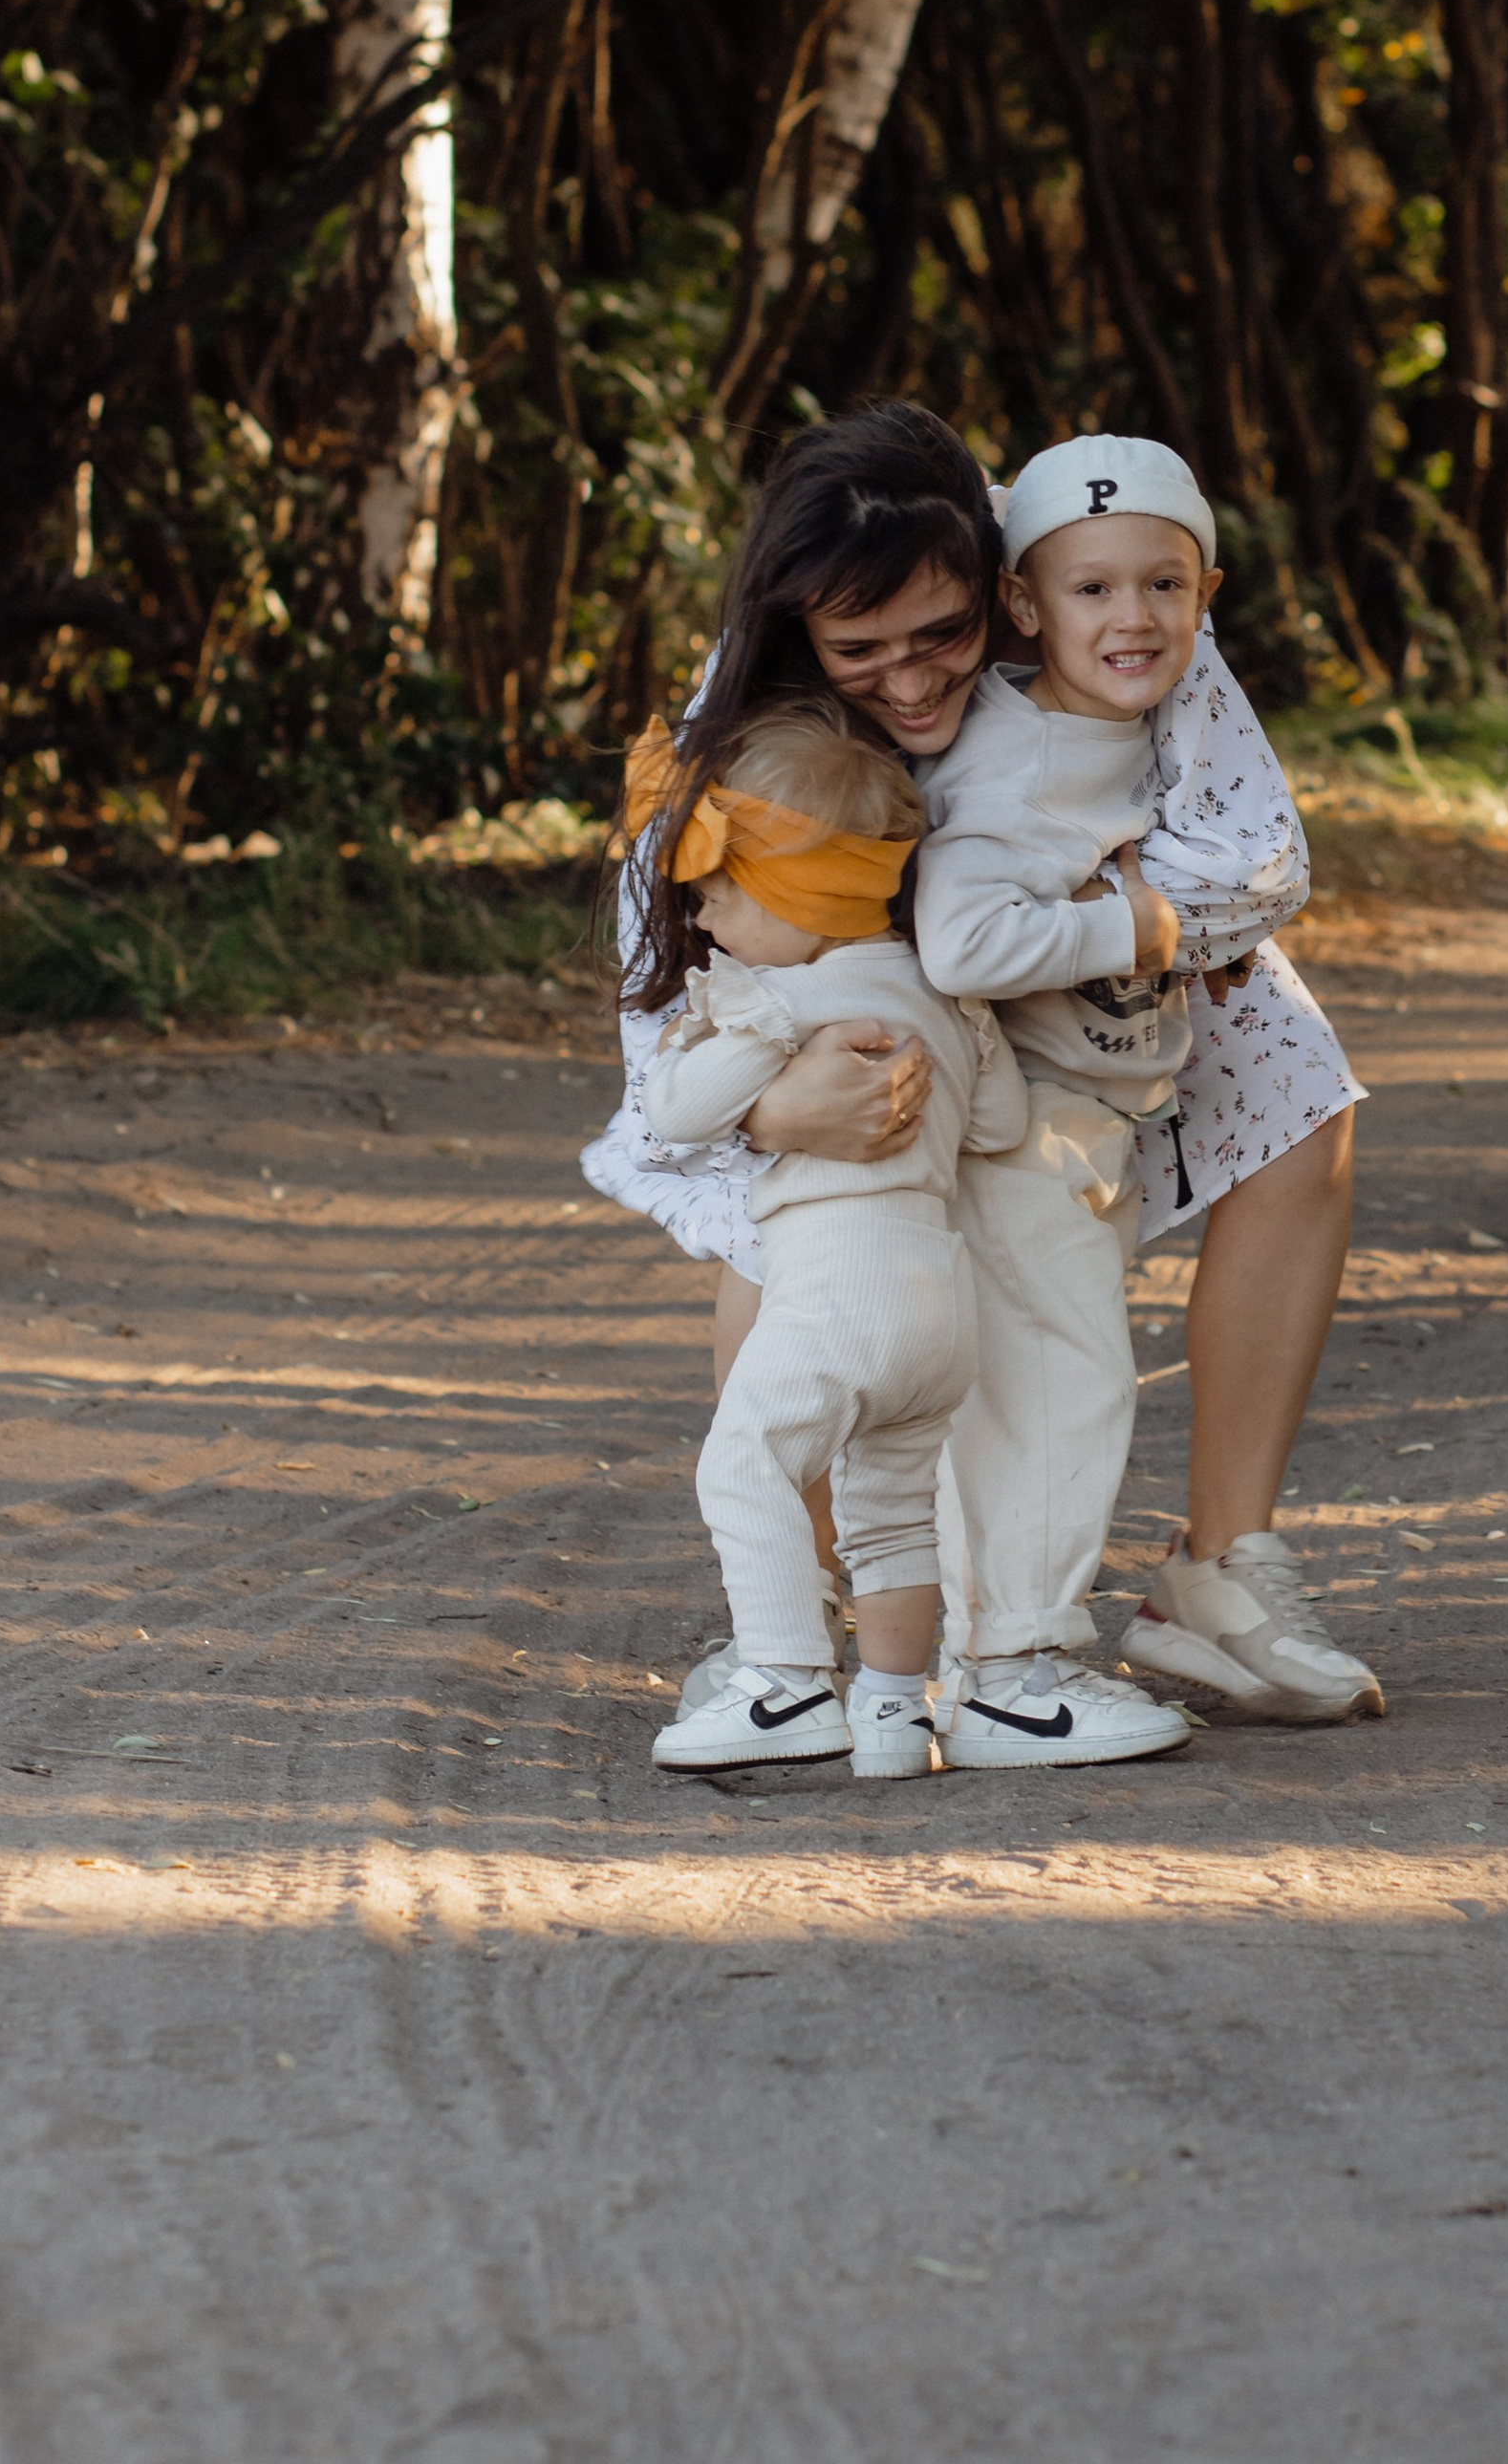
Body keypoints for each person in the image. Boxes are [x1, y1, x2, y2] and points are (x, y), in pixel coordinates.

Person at [581, 400, 1375, 1751]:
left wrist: (1116, 916)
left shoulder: (1101, 563)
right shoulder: (738, 709)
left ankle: (1216, 1573)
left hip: (1088, 938)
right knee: (796, 1214)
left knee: (1300, 1096)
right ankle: (794, 1616)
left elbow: (1262, 851)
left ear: (1001, 592)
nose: (905, 679)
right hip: (847, 966)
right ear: (799, 635)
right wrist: (773, 1098)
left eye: (941, 637)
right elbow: (668, 968)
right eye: (859, 652)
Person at [915, 435, 1381, 1745]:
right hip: (1000, 1072)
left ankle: (1174, 1593)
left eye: (1164, 589)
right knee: (1042, 1365)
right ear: (1019, 601)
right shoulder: (1013, 749)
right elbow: (958, 929)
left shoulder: (1124, 661)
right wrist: (1132, 926)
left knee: (1050, 1364)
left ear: (1205, 589)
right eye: (1095, 591)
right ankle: (964, 1657)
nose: (1134, 614)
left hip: (1092, 1078)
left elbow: (1263, 858)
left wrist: (1148, 917)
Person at [625, 705, 1026, 1782]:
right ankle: (897, 1714)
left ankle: (786, 1683)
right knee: (889, 1515)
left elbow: (673, 1113)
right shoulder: (945, 998)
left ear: (794, 895)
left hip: (836, 1296)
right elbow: (1000, 1128)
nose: (702, 923)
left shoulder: (772, 998)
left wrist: (729, 1031)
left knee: (743, 1461)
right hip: (937, 1310)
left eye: (717, 895)